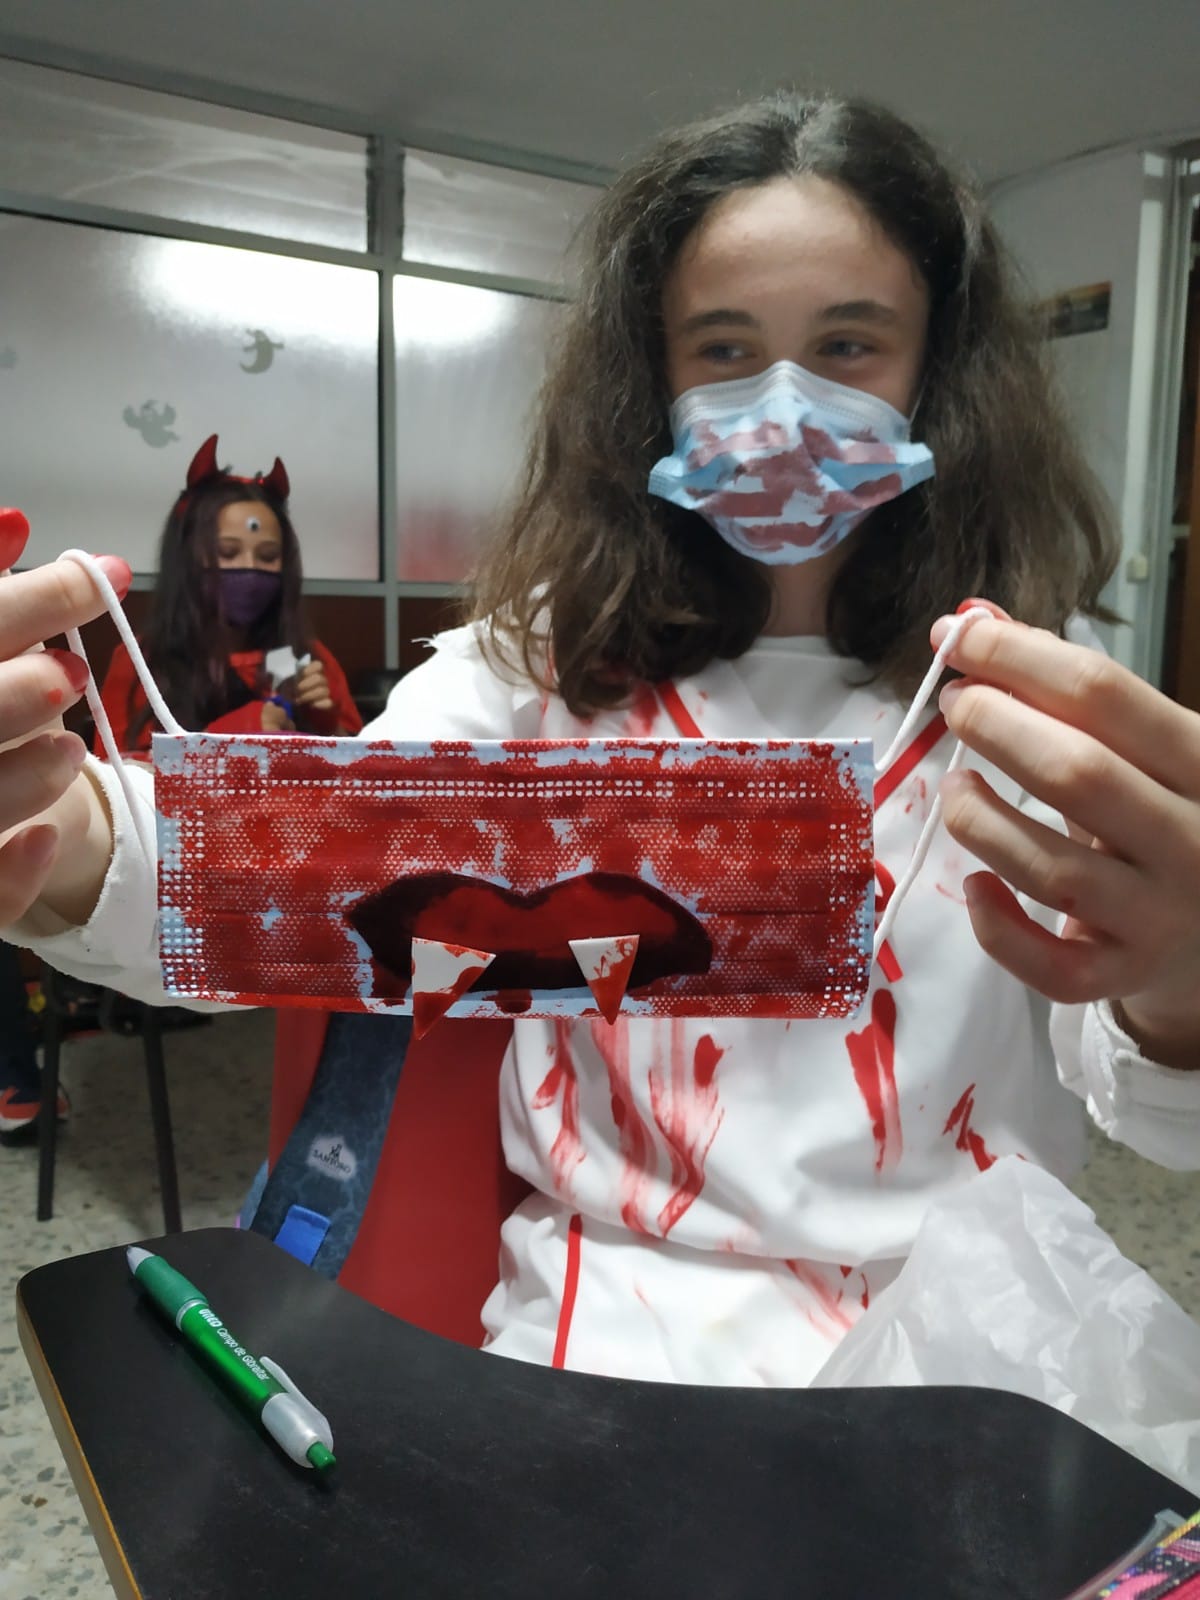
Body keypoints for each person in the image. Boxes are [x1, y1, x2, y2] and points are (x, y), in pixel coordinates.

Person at [4, 94, 1200, 1386]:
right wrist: (54, 826)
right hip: (614, 1338)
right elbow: (275, 879)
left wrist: (1180, 980)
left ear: (939, 371)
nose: (784, 401)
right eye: (724, 347)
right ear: (654, 378)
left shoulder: (1034, 697)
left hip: (976, 1349)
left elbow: (1155, 1114)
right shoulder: (538, 672)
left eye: (848, 344)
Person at [95, 435, 362, 753]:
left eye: (267, 556)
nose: (249, 568)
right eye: (227, 552)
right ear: (188, 557)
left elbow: (362, 769)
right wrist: (233, 736)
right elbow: (112, 773)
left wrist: (327, 726)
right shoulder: (141, 662)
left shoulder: (311, 658)